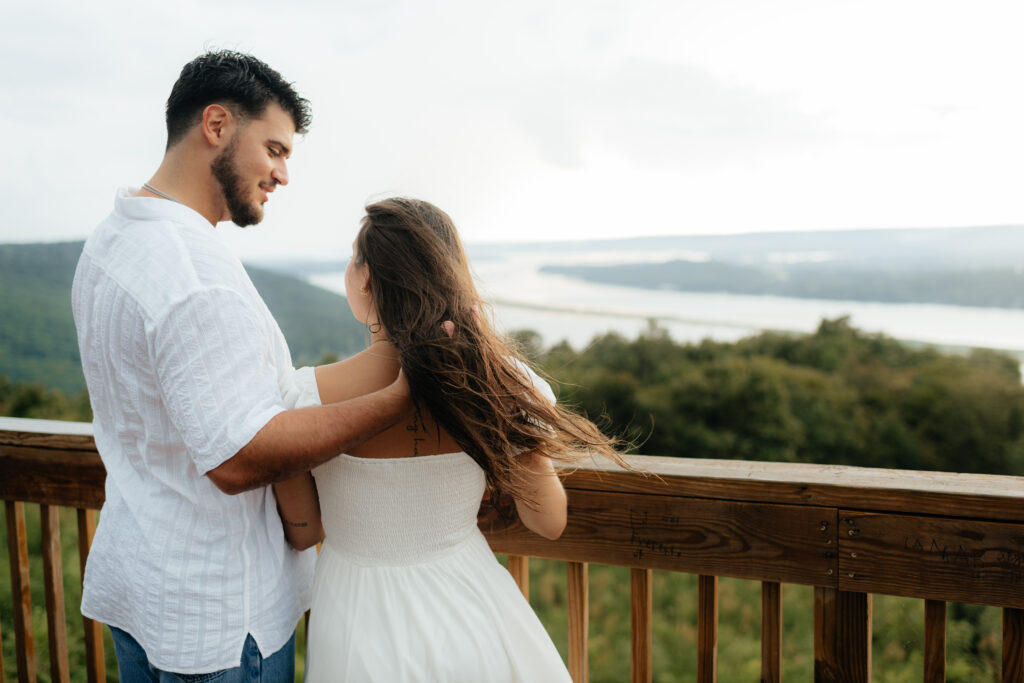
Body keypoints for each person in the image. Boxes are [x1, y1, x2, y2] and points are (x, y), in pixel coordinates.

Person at [71, 51, 411, 682]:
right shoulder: (192, 271)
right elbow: (238, 458)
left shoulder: (113, 237)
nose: (282, 175)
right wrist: (398, 400)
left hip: (145, 587)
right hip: (220, 620)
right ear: (218, 125)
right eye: (275, 150)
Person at [273, 198, 627, 681]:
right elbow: (548, 521)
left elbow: (305, 532)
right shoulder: (501, 388)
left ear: (367, 278)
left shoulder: (302, 398)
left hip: (359, 619)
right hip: (476, 610)